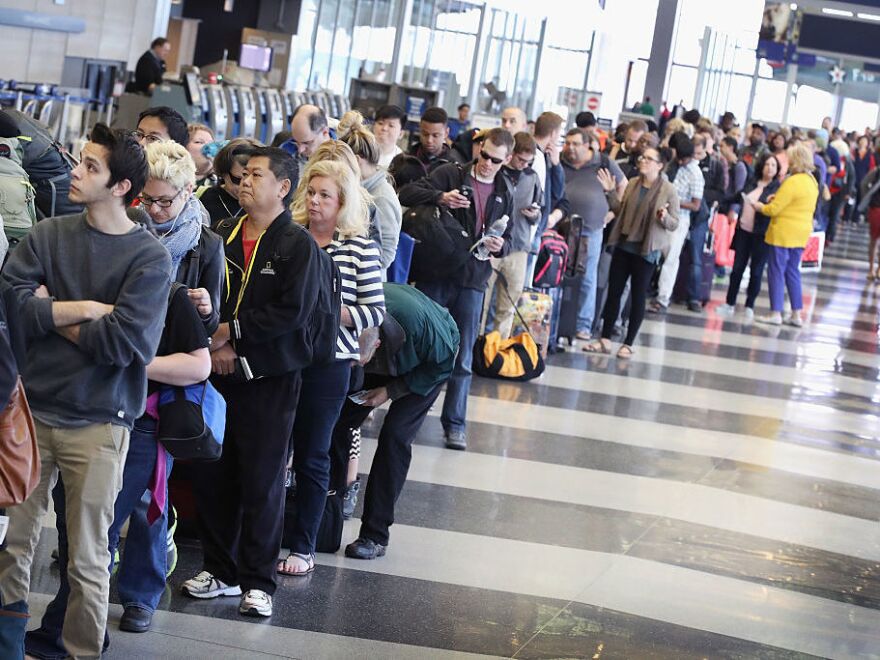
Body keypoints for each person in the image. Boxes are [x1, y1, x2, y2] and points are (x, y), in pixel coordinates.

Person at [0, 123, 171, 659]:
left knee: (88, 557)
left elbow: (127, 344)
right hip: (32, 414)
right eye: (80, 161)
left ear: (121, 186)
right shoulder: (49, 234)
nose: (75, 171)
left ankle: (81, 652)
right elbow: (12, 304)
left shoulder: (149, 258)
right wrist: (86, 310)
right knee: (13, 545)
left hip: (100, 420)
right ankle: (7, 647)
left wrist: (49, 314)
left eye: (90, 167)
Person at [186, 147, 326, 619]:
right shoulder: (222, 233)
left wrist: (234, 336)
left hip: (269, 377)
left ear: (283, 188)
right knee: (213, 472)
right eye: (243, 174)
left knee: (262, 480)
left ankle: (257, 581)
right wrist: (214, 342)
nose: (245, 181)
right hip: (217, 371)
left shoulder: (297, 243)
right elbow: (207, 293)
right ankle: (220, 571)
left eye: (256, 174)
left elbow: (294, 313)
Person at [277, 158, 385, 577]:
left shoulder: (358, 246)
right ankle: (261, 536)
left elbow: (373, 311)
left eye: (326, 195)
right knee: (270, 451)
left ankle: (304, 544)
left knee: (313, 454)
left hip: (329, 363)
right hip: (282, 359)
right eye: (312, 193)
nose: (316, 202)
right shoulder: (291, 238)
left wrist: (330, 312)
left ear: (343, 203)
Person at [398, 127, 514, 451]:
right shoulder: (451, 173)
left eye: (496, 160)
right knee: (424, 347)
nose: (488, 163)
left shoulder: (505, 190)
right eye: (485, 155)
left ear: (505, 162)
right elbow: (406, 194)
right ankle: (408, 415)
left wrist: (499, 244)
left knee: (462, 358)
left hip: (473, 278)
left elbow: (511, 240)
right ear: (479, 149)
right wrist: (440, 197)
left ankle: (455, 424)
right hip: (437, 272)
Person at [334, 283, 458, 560]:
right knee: (336, 423)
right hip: (377, 352)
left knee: (395, 437)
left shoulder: (427, 333)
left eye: (362, 359)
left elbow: (443, 363)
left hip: (426, 364)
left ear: (376, 345)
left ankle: (375, 535)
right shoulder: (345, 317)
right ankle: (327, 511)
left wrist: (392, 390)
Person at [584, 147, 679, 357]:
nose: (643, 160)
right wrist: (609, 191)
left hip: (647, 250)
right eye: (642, 157)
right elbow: (620, 211)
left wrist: (664, 218)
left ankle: (628, 343)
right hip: (624, 244)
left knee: (637, 296)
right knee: (614, 292)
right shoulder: (633, 183)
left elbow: (674, 223)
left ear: (660, 165)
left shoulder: (668, 190)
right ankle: (605, 338)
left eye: (648, 158)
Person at [561, 127, 626, 339]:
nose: (570, 148)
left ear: (588, 145)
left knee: (587, 277)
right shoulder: (561, 161)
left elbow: (623, 186)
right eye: (568, 143)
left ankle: (583, 325)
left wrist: (613, 211)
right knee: (558, 274)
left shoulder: (603, 162)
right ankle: (560, 319)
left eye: (576, 144)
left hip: (591, 229)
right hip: (562, 228)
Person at [750, 142, 818, 327]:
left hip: (783, 233)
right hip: (801, 232)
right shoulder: (811, 181)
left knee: (776, 272)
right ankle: (796, 314)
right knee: (793, 272)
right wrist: (776, 198)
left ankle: (776, 312)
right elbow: (797, 203)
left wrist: (759, 206)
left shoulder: (792, 181)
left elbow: (774, 209)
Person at [482, 131, 542, 338]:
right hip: (492, 244)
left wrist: (534, 215)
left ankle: (496, 351)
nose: (524, 165)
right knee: (482, 301)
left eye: (529, 161)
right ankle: (475, 346)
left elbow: (539, 209)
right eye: (521, 159)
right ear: (510, 155)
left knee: (508, 306)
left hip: (519, 246)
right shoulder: (496, 173)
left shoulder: (532, 177)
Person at [716, 153, 781, 321]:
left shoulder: (776, 188)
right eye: (767, 164)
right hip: (744, 231)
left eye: (773, 165)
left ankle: (749, 305)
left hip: (762, 235)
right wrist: (720, 200)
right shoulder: (752, 182)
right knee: (737, 268)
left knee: (756, 271)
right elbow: (739, 196)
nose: (769, 168)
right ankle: (729, 303)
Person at [338, 111, 403, 269]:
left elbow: (385, 256)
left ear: (357, 161)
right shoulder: (356, 189)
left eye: (341, 163)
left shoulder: (381, 198)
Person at [650, 134, 704, 313]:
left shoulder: (695, 174)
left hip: (679, 219)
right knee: (653, 253)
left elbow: (696, 204)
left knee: (671, 259)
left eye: (684, 159)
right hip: (660, 216)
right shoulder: (671, 166)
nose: (681, 161)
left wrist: (674, 201)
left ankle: (663, 298)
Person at [198, 138, 260, 225]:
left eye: (256, 178)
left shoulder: (267, 205)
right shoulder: (202, 199)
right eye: (238, 179)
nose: (246, 185)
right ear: (223, 173)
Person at [407, 106, 464, 174]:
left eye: (435, 135)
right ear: (420, 130)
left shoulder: (455, 168)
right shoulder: (405, 161)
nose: (429, 140)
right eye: (425, 134)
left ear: (446, 133)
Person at [850, 134, 875, 224]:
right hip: (852, 179)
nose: (863, 142)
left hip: (863, 180)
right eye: (861, 140)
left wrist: (869, 181)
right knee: (849, 198)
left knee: (859, 200)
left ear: (867, 143)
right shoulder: (854, 152)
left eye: (865, 141)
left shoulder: (870, 155)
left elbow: (871, 169)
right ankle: (846, 217)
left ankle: (855, 218)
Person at [373, 104, 406, 169]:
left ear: (401, 134)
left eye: (391, 125)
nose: (384, 128)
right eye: (380, 123)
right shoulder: (361, 150)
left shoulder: (402, 161)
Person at [187, 123, 217, 188]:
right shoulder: (171, 183)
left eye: (211, 143)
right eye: (199, 142)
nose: (209, 147)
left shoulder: (223, 182)